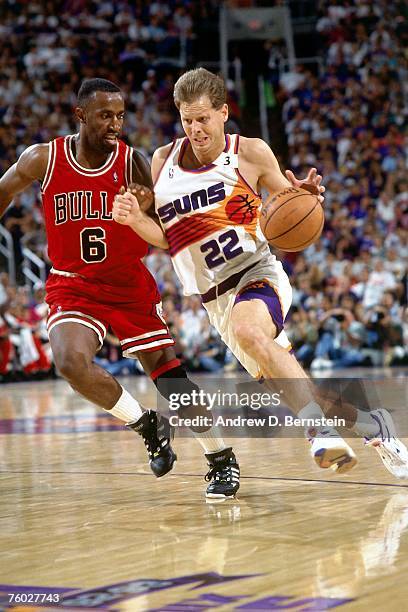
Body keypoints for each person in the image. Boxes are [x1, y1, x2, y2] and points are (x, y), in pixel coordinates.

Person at [113, 68, 408, 479]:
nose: (195, 129)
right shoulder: (162, 161)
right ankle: (374, 427)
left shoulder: (249, 152)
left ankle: (316, 432)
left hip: (256, 272)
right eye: (186, 119)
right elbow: (166, 238)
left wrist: (306, 196)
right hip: (214, 299)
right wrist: (133, 220)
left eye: (203, 119)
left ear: (223, 113)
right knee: (298, 388)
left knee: (251, 330)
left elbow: (289, 203)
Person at [0, 77, 241, 499]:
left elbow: (170, 226)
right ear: (80, 115)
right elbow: (4, 190)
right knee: (70, 362)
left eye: (120, 115)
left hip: (127, 283)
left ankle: (221, 459)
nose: (115, 124)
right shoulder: (44, 158)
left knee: (170, 378)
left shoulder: (134, 163)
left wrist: (145, 210)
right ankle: (147, 424)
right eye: (105, 115)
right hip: (73, 284)